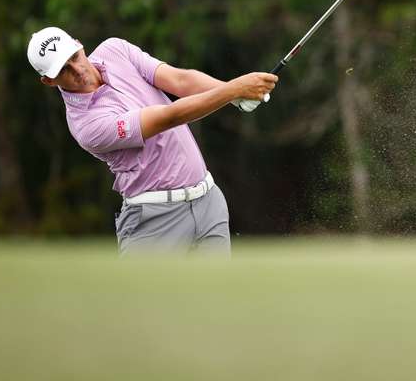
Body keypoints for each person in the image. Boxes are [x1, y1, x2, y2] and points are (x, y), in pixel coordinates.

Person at [27, 26, 277, 255]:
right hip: (154, 219)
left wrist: (237, 95)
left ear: (79, 45)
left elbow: (180, 80)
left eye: (74, 58)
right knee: (146, 304)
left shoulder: (115, 50)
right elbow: (169, 117)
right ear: (48, 81)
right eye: (63, 70)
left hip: (209, 202)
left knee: (216, 300)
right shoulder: (86, 125)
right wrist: (234, 90)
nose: (77, 70)